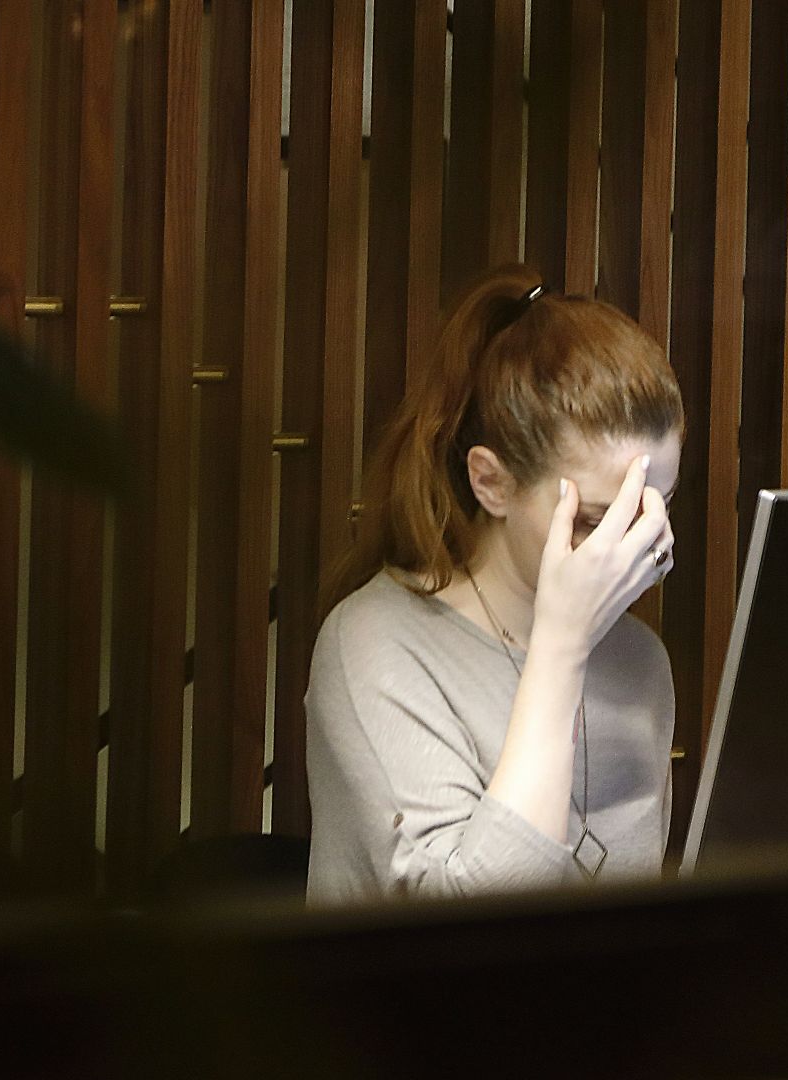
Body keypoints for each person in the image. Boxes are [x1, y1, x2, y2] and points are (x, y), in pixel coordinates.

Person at [305, 263, 683, 906]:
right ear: (492, 483)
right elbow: (472, 928)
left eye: (656, 508)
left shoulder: (639, 660)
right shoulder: (372, 643)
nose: (635, 546)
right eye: (596, 519)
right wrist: (561, 649)